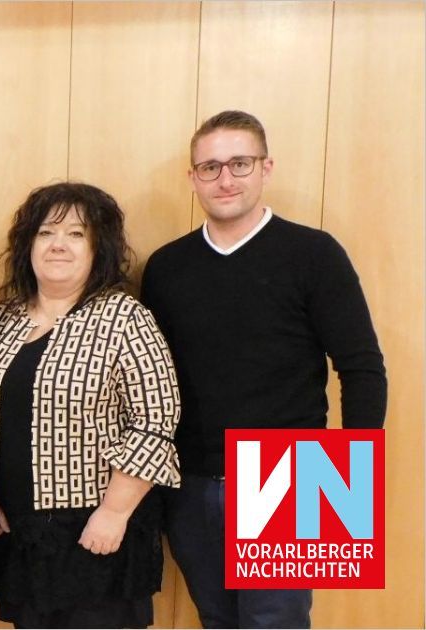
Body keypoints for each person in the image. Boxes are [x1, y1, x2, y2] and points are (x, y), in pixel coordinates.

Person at [142, 110, 387, 628]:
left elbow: (362, 367)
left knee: (275, 623)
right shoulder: (166, 267)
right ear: (192, 178)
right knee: (216, 618)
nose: (225, 179)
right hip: (189, 478)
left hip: (292, 471)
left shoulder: (314, 254)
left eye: (239, 163)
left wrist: (351, 483)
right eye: (209, 167)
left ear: (266, 168)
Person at [0, 182, 182, 629]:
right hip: (22, 531)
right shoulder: (2, 319)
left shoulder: (126, 318)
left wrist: (114, 512)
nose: (58, 246)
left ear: (98, 248)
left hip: (97, 529)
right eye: (46, 233)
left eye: (75, 234)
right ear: (28, 244)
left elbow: (155, 421)